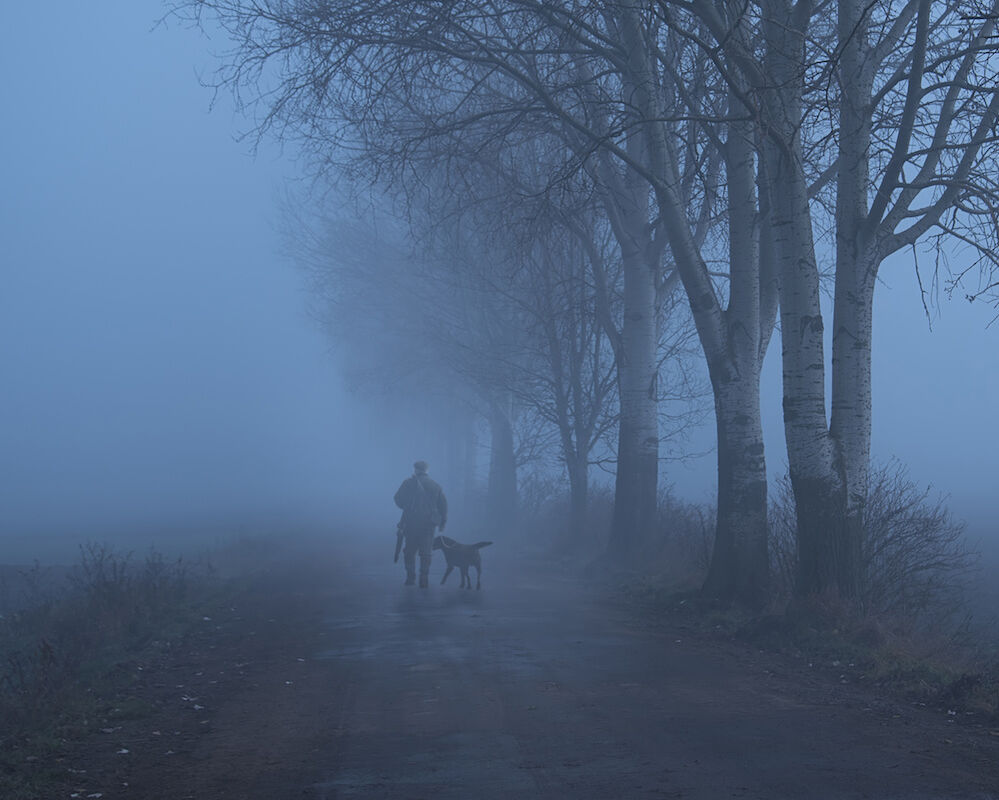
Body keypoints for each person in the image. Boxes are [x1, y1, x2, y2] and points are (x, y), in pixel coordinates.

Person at [393, 460, 448, 588]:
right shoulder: (436, 486)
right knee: (426, 552)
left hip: (411, 522)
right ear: (427, 470)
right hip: (429, 524)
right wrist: (442, 523)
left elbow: (397, 499)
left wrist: (407, 506)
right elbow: (443, 507)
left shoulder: (408, 483)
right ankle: (424, 579)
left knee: (409, 551)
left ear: (415, 469)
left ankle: (410, 578)